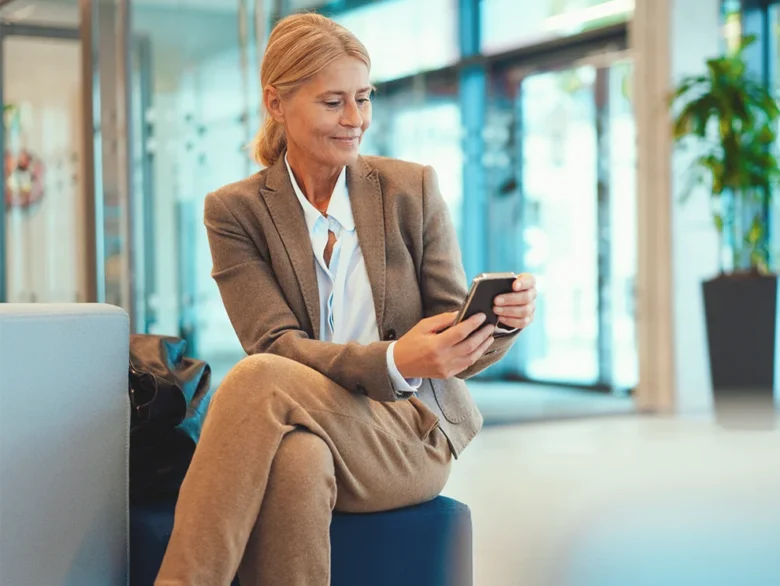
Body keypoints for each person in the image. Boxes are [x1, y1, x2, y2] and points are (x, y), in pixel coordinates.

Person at [155, 12, 537, 586]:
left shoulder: (412, 188)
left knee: (257, 379)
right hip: (307, 420)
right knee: (297, 459)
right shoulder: (234, 212)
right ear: (276, 103)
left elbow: (452, 341)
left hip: (409, 432)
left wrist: (500, 323)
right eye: (333, 102)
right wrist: (393, 359)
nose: (356, 119)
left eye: (364, 98)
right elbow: (275, 343)